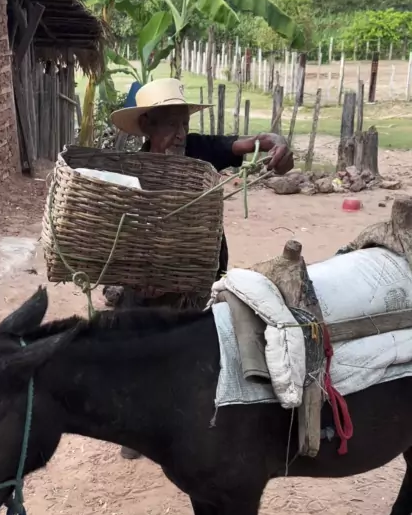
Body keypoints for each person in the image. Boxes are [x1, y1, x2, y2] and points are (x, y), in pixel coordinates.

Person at [107, 78, 294, 459]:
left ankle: (185, 424)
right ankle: (136, 427)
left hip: (197, 277)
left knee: (194, 353)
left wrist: (275, 143)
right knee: (138, 353)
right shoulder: (130, 173)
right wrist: (134, 279)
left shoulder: (198, 151)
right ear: (146, 126)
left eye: (184, 123)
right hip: (145, 281)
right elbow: (118, 236)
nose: (180, 134)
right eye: (170, 124)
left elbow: (247, 145)